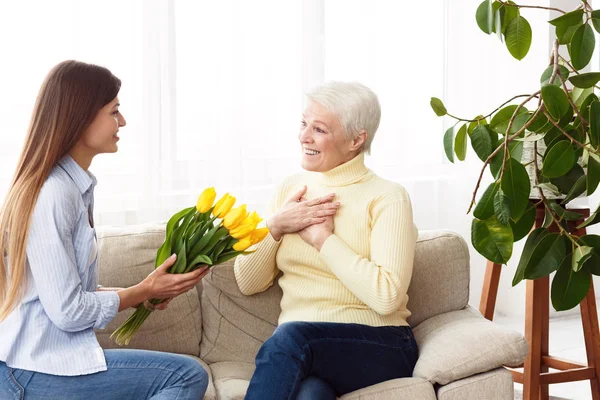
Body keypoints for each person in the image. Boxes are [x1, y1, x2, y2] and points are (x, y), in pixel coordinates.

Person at [0, 60, 209, 400]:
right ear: (80, 117)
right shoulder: (54, 193)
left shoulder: (71, 187)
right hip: (31, 372)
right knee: (185, 376)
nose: (122, 122)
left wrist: (145, 291)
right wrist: (140, 292)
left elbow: (69, 293)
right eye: (114, 111)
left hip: (41, 365)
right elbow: (68, 313)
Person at [234, 81, 419, 400]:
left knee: (292, 338)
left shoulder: (388, 197)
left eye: (318, 129)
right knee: (309, 395)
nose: (303, 136)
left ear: (356, 139)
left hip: (380, 344)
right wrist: (275, 227)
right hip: (307, 353)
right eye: (304, 124)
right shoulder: (291, 190)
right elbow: (247, 282)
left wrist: (324, 240)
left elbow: (387, 296)